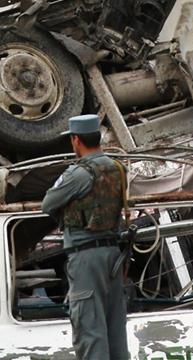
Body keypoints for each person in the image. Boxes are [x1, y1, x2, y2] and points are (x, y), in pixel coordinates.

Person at [41, 114, 128, 360]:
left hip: (85, 257)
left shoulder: (78, 174)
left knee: (90, 331)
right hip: (113, 255)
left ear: (76, 140)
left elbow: (48, 203)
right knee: (115, 333)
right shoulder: (118, 168)